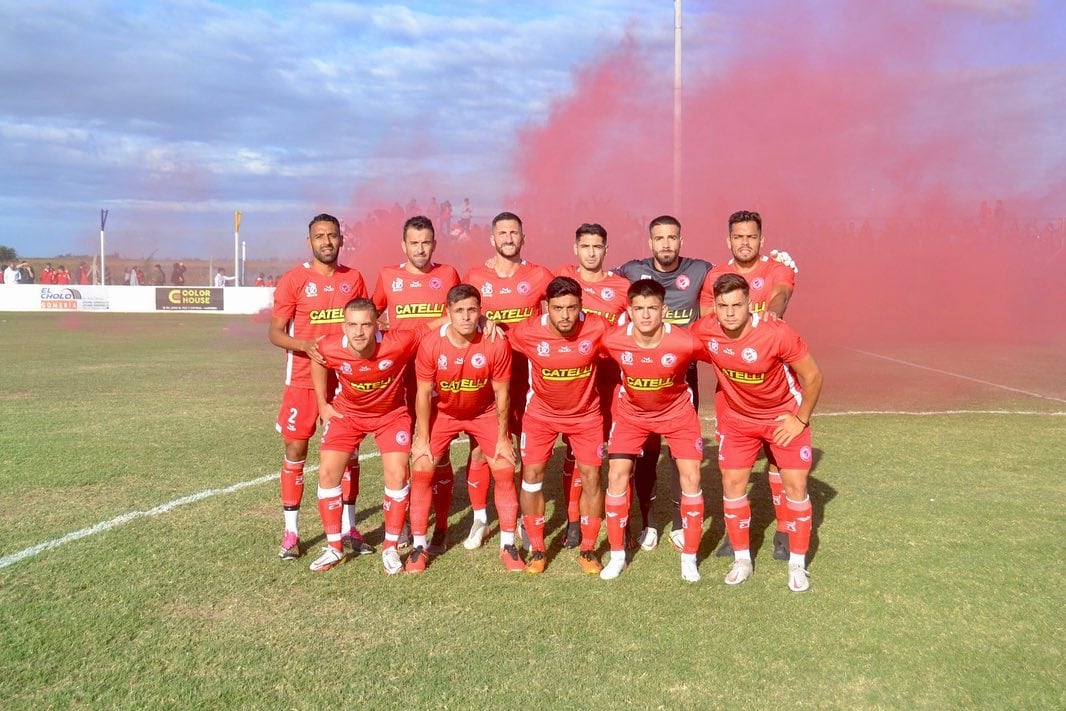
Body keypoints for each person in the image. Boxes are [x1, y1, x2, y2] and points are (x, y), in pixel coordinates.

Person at [691, 273, 823, 592]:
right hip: (738, 421)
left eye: (737, 304)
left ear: (750, 303)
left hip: (781, 418)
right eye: (723, 306)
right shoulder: (705, 331)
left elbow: (814, 377)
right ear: (715, 308)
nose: (731, 312)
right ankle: (742, 560)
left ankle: (797, 564)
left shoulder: (776, 333)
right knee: (733, 483)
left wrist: (800, 419)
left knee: (795, 485)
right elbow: (674, 347)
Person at [267, 213, 369, 561]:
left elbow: (365, 326)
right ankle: (291, 533)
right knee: (296, 451)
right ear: (309, 241)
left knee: (349, 453)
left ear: (342, 240)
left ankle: (349, 527)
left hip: (345, 381)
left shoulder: (354, 279)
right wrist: (304, 346)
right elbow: (275, 332)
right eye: (320, 236)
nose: (327, 241)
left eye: (332, 235)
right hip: (301, 382)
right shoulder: (294, 280)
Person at [699, 210, 797, 560]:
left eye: (751, 237)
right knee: (731, 470)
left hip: (771, 387)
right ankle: (733, 534)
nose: (745, 242)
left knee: (778, 462)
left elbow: (781, 295)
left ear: (761, 239)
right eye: (738, 237)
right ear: (729, 240)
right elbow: (709, 319)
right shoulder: (716, 276)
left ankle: (785, 530)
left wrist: (770, 312)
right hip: (732, 392)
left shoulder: (777, 268)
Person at [615, 215, 715, 552]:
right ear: (650, 242)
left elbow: (739, 286)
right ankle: (648, 522)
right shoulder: (631, 270)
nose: (666, 244)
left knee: (679, 454)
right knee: (647, 452)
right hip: (642, 375)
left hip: (682, 379)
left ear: (681, 241)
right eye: (660, 238)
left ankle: (677, 522)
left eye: (672, 238)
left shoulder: (700, 269)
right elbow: (596, 286)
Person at [599, 279, 707, 582]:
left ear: (664, 309)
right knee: (617, 474)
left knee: (691, 477)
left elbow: (723, 353)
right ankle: (618, 555)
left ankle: (689, 557)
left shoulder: (685, 342)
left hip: (677, 415)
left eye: (652, 308)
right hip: (632, 416)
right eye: (639, 308)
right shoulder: (614, 339)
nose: (646, 315)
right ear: (629, 311)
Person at [308, 298, 426, 573]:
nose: (359, 332)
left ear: (378, 325)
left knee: (397, 474)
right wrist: (323, 405)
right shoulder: (329, 345)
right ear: (343, 326)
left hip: (391, 416)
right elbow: (318, 361)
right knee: (327, 473)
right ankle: (334, 547)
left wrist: (480, 320)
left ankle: (391, 547)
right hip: (347, 415)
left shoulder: (398, 341)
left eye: (365, 325)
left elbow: (435, 325)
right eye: (352, 325)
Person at [411, 284, 524, 573]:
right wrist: (421, 439)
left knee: (504, 466)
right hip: (444, 413)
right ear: (447, 313)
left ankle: (508, 544)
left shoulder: (495, 342)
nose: (465, 317)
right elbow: (423, 393)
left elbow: (502, 393)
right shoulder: (431, 344)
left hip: (483, 413)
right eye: (459, 311)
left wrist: (502, 438)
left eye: (472, 310)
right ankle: (419, 547)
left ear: (480, 312)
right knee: (422, 468)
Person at [508, 276, 611, 574]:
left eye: (571, 307)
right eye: (557, 308)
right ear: (546, 307)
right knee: (532, 476)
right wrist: (487, 324)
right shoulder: (527, 331)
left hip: (586, 416)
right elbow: (498, 338)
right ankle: (538, 548)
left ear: (581, 305)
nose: (565, 316)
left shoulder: (597, 327)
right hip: (541, 415)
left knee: (592, 477)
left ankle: (589, 549)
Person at [372, 215, 461, 555]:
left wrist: (432, 327)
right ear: (403, 245)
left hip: (439, 373)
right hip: (398, 378)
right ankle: (407, 520)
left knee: (438, 450)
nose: (420, 249)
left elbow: (458, 312)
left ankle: (440, 525)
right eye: (414, 243)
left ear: (434, 244)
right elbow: (373, 313)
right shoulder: (387, 276)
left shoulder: (448, 274)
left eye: (426, 242)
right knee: (404, 448)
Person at [464, 212, 553, 547]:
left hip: (526, 376)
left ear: (523, 237)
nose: (508, 238)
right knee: (480, 449)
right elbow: (463, 314)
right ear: (492, 238)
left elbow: (561, 309)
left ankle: (523, 520)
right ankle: (480, 519)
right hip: (486, 375)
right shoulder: (475, 275)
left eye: (514, 232)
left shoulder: (539, 275)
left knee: (525, 452)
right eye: (502, 232)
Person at [552, 223, 630, 546]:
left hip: (610, 382)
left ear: (606, 249)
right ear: (576, 249)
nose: (591, 252)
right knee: (575, 454)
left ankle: (620, 523)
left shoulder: (623, 287)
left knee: (619, 454)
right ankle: (573, 521)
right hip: (575, 384)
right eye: (585, 246)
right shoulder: (563, 277)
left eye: (597, 246)